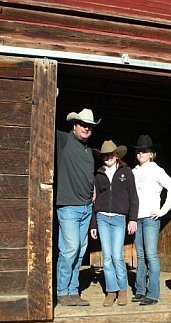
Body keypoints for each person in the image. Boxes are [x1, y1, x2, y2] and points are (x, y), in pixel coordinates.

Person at [55, 108, 101, 306]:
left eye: (89, 126)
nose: (86, 128)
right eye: (83, 124)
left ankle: (73, 291)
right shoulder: (64, 140)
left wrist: (93, 189)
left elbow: (88, 175)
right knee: (69, 249)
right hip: (68, 207)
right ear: (74, 126)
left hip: (85, 208)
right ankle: (61, 291)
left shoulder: (89, 151)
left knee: (80, 251)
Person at [89, 140, 139, 307]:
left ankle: (122, 289)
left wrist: (132, 219)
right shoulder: (99, 174)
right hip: (102, 218)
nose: (108, 157)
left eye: (111, 154)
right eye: (105, 155)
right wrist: (93, 224)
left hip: (119, 219)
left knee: (117, 256)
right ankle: (111, 291)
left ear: (117, 155)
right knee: (107, 257)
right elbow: (94, 201)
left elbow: (134, 197)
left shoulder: (126, 173)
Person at [131, 135, 171, 305]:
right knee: (141, 255)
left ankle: (153, 293)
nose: (140, 153)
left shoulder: (156, 170)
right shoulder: (134, 172)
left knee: (151, 255)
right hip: (137, 218)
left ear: (151, 154)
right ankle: (140, 290)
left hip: (151, 218)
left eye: (144, 151)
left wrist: (162, 211)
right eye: (138, 150)